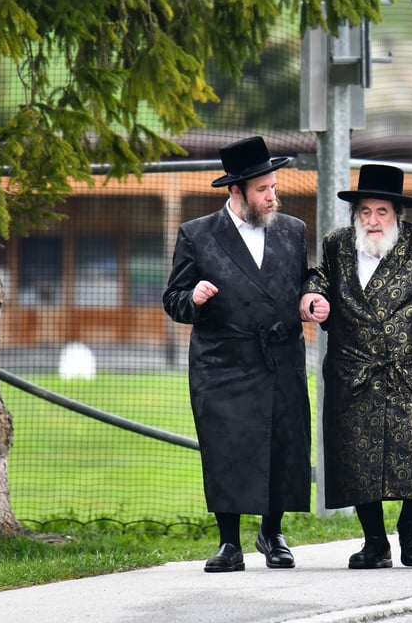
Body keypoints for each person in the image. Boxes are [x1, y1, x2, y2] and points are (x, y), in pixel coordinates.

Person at [300, 164, 412, 569]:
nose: (372, 221)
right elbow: (317, 281)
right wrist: (311, 301)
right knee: (355, 456)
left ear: (397, 214)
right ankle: (374, 542)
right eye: (365, 212)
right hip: (353, 370)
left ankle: (411, 528)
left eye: (381, 212)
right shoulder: (338, 244)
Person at [162, 135, 312, 573]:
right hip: (222, 362)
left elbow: (306, 280)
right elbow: (173, 298)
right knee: (226, 449)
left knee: (282, 445)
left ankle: (273, 532)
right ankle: (230, 543)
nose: (272, 196)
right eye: (263, 189)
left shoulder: (293, 230)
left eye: (274, 186)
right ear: (236, 191)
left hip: (280, 357)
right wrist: (194, 296)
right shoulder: (198, 234)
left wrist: (312, 296)